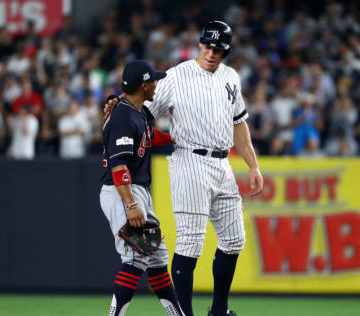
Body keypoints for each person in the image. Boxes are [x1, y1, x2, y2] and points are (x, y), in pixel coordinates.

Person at [105, 21, 264, 316]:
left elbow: (239, 124)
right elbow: (139, 109)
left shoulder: (231, 77)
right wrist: (117, 104)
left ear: (227, 51)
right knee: (190, 244)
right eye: (207, 45)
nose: (212, 52)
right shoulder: (177, 77)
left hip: (223, 163)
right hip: (189, 161)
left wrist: (253, 165)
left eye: (219, 48)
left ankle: (218, 311)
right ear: (199, 43)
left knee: (234, 240)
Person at [99, 60, 184, 316]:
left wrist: (176, 138)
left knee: (157, 259)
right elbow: (118, 165)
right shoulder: (124, 117)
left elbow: (148, 137)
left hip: (136, 190)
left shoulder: (137, 112)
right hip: (122, 190)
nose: (156, 85)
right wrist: (131, 204)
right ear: (144, 85)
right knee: (134, 258)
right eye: (153, 81)